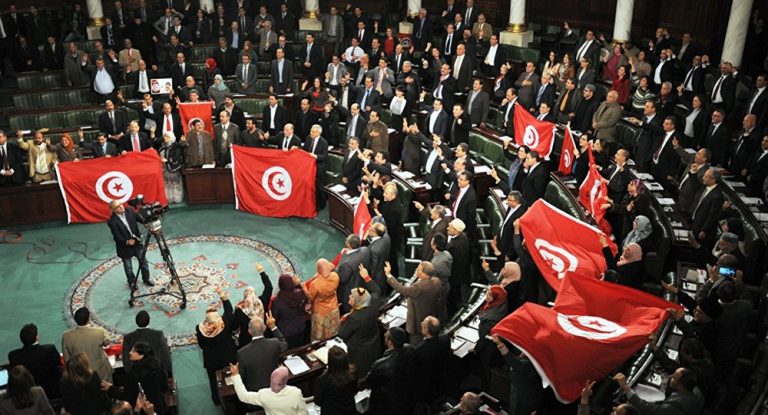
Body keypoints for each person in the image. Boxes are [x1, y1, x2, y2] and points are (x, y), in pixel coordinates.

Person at [339, 265, 384, 376]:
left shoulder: (354, 318)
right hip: (373, 342)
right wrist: (366, 277)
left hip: (359, 350)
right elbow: (376, 290)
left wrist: (343, 320)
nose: (349, 296)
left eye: (352, 296)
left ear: (357, 302)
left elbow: (342, 334)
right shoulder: (373, 302)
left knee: (360, 373)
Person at [195, 286, 237, 406]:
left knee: (213, 380)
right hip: (229, 356)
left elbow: (201, 345)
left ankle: (216, 399)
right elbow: (229, 310)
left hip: (211, 360)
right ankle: (235, 391)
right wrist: (222, 295)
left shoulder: (200, 328)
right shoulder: (224, 322)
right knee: (234, 374)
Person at [102, 341, 169, 415]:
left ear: (141, 355)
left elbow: (127, 396)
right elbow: (164, 387)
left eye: (133, 351)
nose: (129, 352)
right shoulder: (158, 365)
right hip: (160, 407)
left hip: (144, 409)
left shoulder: (133, 374)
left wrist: (110, 389)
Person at [387, 261, 442, 344]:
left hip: (417, 322)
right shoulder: (437, 281)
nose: (417, 271)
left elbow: (402, 290)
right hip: (429, 314)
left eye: (419, 270)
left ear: (425, 274)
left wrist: (389, 275)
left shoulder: (419, 287)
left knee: (415, 343)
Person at [366, 326, 416, 415]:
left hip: (387, 403)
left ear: (390, 342)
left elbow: (371, 382)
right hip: (407, 396)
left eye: (386, 335)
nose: (384, 334)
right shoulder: (410, 349)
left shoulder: (380, 365)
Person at [8, 323, 62, 400]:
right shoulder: (50, 350)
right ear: (37, 337)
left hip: (28, 398)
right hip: (53, 393)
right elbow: (59, 366)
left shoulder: (13, 356)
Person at [236, 313, 287, 394]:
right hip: (275, 386)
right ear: (265, 328)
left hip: (255, 392)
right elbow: (284, 343)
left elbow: (242, 376)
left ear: (249, 331)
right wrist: (273, 327)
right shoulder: (274, 343)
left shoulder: (242, 353)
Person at [614, 369, 704, 415]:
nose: (670, 376)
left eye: (674, 378)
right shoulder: (696, 391)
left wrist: (626, 387)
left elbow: (647, 408)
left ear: (681, 386)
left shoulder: (672, 407)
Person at [107, 200, 153, 289]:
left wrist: (148, 221)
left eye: (120, 204)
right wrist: (127, 242)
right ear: (113, 210)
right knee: (128, 267)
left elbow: (141, 220)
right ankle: (132, 282)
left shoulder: (130, 211)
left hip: (137, 243)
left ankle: (146, 279)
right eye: (117, 207)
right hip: (125, 248)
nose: (121, 207)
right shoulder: (112, 222)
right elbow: (117, 237)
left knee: (144, 263)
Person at [230, 365, 308, 415]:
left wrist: (235, 375)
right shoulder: (296, 393)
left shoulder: (264, 394)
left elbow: (243, 396)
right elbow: (303, 413)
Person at [62, 307, 113, 383]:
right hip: (101, 372)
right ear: (88, 318)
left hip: (81, 375)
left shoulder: (66, 336)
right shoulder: (99, 332)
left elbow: (67, 359)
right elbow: (107, 342)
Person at [299, 259, 340, 341]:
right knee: (333, 330)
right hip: (333, 307)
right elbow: (331, 268)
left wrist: (304, 288)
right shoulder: (335, 276)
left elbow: (310, 298)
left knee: (320, 335)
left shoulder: (315, 284)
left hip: (320, 312)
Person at [233, 263, 273, 348]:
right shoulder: (262, 301)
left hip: (247, 340)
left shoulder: (239, 310)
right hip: (265, 334)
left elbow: (234, 326)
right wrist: (262, 272)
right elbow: (269, 287)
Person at [121, 311, 172, 376]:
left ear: (136, 321)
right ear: (149, 321)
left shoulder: (128, 338)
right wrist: (168, 372)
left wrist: (131, 374)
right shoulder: (158, 335)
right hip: (156, 374)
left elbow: (125, 359)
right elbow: (165, 356)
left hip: (136, 375)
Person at [314, 346, 358, 415]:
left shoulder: (323, 380)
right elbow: (355, 391)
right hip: (349, 411)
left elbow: (318, 401)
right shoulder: (353, 375)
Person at [270, 274, 309, 348]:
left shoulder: (277, 302)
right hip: (301, 327)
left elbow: (274, 319)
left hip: (287, 333)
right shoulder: (299, 293)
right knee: (301, 347)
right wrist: (298, 285)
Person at [155, 131, 185, 204]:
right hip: (164, 168)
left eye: (167, 137)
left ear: (171, 138)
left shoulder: (176, 146)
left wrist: (167, 160)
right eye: (165, 136)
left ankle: (177, 198)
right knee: (167, 183)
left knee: (175, 183)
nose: (165, 138)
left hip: (173, 168)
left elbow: (178, 158)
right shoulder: (163, 145)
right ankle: (168, 198)